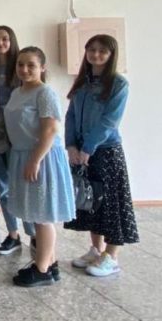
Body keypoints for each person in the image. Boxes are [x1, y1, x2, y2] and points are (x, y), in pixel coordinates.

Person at [64, 34, 138, 277]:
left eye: (102, 51)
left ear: (111, 55)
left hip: (105, 151)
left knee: (112, 204)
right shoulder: (82, 82)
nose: (96, 54)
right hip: (81, 151)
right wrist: (71, 145)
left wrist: (88, 147)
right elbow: (71, 115)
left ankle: (112, 256)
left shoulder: (119, 84)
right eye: (92, 49)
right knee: (90, 201)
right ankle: (96, 250)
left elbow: (109, 121)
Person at [4, 47, 75, 287]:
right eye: (20, 64)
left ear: (42, 68)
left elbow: (50, 129)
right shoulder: (17, 92)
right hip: (22, 155)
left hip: (42, 158)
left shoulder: (45, 93)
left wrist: (35, 160)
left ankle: (42, 269)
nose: (24, 69)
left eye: (31, 65)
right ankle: (50, 263)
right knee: (35, 213)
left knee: (43, 216)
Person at [0, 26, 35, 255]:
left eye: (4, 39)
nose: (0, 43)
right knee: (3, 188)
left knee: (23, 187)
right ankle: (13, 235)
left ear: (11, 40)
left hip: (18, 133)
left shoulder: (21, 67)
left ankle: (34, 234)